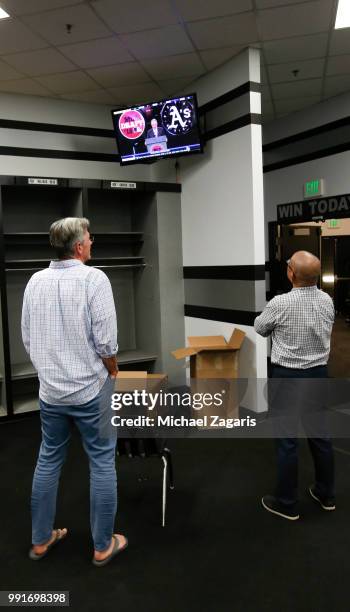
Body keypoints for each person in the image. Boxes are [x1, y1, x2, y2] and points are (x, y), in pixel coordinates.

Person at [21, 217, 127, 566]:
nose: (92, 243)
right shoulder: (94, 279)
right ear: (79, 246)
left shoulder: (35, 281)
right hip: (91, 391)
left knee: (48, 459)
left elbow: (27, 337)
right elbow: (106, 341)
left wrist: (49, 372)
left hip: (50, 392)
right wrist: (112, 371)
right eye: (90, 239)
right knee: (101, 462)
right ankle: (101, 545)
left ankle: (40, 540)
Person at [254, 250, 335, 521]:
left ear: (291, 273)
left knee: (287, 441)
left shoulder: (280, 303)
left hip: (288, 377)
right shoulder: (327, 300)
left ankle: (287, 504)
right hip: (319, 375)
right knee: (320, 436)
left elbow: (260, 328)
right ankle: (326, 495)